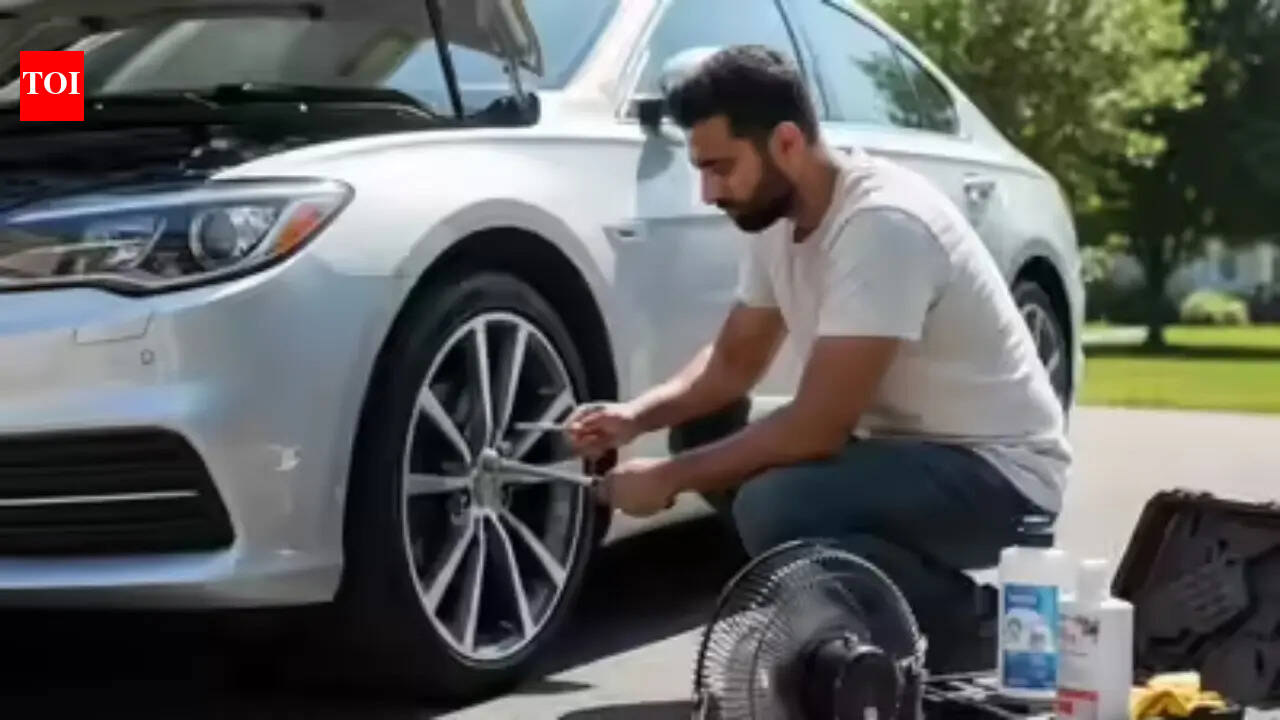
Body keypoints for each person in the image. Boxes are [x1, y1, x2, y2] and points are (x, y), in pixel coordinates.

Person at [566, 45, 1072, 672]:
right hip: (905, 456)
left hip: (1000, 479)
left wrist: (668, 479)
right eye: (702, 170)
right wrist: (633, 417)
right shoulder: (775, 217)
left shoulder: (881, 225)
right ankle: (849, 604)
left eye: (721, 168)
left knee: (776, 505)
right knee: (706, 432)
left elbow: (817, 427)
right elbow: (732, 364)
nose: (709, 191)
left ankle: (981, 628)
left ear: (786, 142)